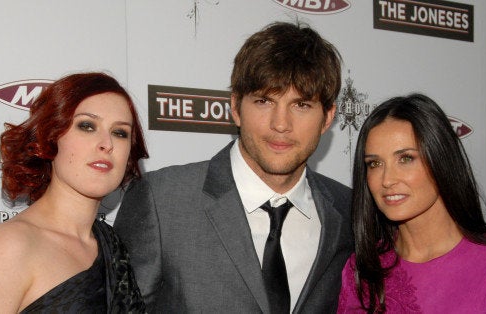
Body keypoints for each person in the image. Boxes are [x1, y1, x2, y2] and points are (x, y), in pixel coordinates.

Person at [114, 21, 353, 313]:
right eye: (264, 101)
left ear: (328, 118)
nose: (281, 124)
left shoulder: (348, 211)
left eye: (301, 105)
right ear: (236, 108)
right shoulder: (162, 201)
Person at [337, 93, 486, 313]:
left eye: (406, 158)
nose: (387, 180)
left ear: (441, 160)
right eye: (374, 163)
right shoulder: (362, 270)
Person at [0, 72, 149, 313]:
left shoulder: (113, 246)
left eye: (120, 132)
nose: (106, 143)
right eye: (87, 126)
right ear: (51, 137)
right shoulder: (11, 246)